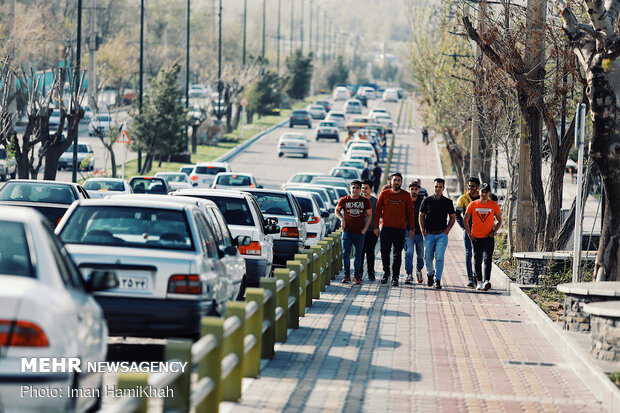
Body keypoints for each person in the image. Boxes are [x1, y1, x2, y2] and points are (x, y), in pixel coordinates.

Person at [374, 173, 415, 287]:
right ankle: (386, 273)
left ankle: (395, 277)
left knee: (397, 254)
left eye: (398, 180)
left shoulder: (406, 195)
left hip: (400, 229)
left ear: (401, 182)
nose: (396, 182)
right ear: (390, 182)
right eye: (394, 180)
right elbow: (377, 211)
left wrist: (411, 228)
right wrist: (376, 227)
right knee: (384, 252)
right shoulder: (384, 194)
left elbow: (411, 213)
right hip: (386, 229)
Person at [464, 183, 502, 291]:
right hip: (476, 237)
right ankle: (479, 282)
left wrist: (494, 231)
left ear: (489, 193)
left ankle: (487, 281)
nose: (484, 194)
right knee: (477, 259)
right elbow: (465, 219)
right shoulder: (472, 204)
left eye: (486, 192)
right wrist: (469, 234)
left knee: (487, 259)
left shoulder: (494, 205)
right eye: (482, 191)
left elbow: (500, 220)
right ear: (479, 192)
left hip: (488, 237)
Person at [419, 178, 456, 289]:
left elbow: (453, 217)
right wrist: (422, 230)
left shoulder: (448, 202)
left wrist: (447, 230)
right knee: (427, 258)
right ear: (433, 187)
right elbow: (421, 215)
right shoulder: (427, 200)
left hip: (441, 235)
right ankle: (430, 274)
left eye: (440, 187)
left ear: (443, 188)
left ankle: (437, 280)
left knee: (439, 257)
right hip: (429, 234)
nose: (438, 189)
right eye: (436, 186)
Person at [335, 180, 372, 285]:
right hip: (347, 232)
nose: (355, 190)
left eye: (357, 188)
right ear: (350, 189)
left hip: (360, 233)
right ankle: (347, 275)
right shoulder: (344, 200)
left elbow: (370, 215)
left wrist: (365, 229)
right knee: (345, 254)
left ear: (360, 190)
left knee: (358, 255)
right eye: (353, 187)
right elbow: (336, 210)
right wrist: (342, 219)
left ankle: (357, 276)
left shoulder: (364, 201)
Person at [455, 177, 481, 288]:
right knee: (468, 254)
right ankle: (470, 278)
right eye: (469, 186)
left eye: (473, 186)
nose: (471, 188)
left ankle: (477, 276)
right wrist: (464, 227)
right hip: (468, 231)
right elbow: (457, 214)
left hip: (480, 232)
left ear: (478, 187)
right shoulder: (463, 199)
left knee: (478, 255)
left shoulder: (483, 198)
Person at [404, 180, 425, 284]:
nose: (413, 191)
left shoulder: (423, 201)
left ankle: (419, 270)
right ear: (409, 190)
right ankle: (408, 273)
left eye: (416, 189)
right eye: (412, 189)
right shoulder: (405, 200)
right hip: (408, 231)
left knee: (420, 254)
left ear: (419, 190)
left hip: (420, 232)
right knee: (409, 252)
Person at [360, 179, 378, 281]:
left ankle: (371, 272)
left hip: (371, 230)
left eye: (366, 188)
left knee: (370, 252)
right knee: (360, 252)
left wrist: (376, 228)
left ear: (371, 189)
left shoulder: (375, 201)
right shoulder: (358, 200)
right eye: (362, 188)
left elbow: (378, 216)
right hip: (360, 231)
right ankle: (359, 273)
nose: (364, 190)